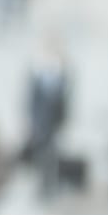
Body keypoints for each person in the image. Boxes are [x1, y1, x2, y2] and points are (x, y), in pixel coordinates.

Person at [25, 42, 71, 200]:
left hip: (54, 125)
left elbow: (64, 104)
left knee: (52, 156)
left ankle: (50, 185)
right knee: (40, 156)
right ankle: (41, 186)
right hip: (40, 124)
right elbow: (31, 102)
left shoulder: (61, 78)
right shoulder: (38, 77)